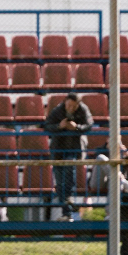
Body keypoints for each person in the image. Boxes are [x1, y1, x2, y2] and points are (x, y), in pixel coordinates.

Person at [44, 92, 93, 221]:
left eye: (73, 106)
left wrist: (76, 128)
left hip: (73, 149)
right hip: (58, 150)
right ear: (65, 102)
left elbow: (89, 125)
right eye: (69, 105)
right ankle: (67, 211)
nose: (70, 108)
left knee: (69, 171)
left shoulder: (83, 109)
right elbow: (47, 125)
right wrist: (59, 126)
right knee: (60, 182)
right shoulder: (58, 110)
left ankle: (69, 204)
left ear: (78, 105)